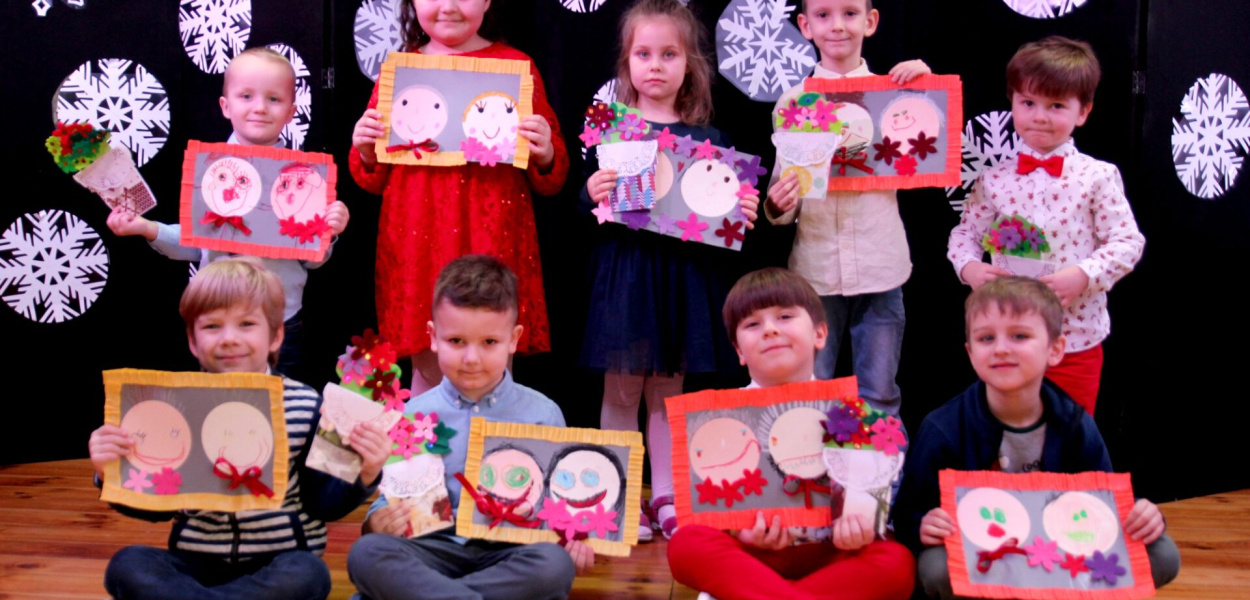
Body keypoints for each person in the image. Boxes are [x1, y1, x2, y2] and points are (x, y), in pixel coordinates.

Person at [87, 257, 388, 600]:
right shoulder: (173, 408)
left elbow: (323, 505)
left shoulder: (308, 405)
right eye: (212, 326)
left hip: (279, 563)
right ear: (192, 341)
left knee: (308, 574)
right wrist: (108, 471)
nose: (229, 339)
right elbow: (158, 507)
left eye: (246, 324)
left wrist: (365, 473)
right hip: (195, 565)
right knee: (128, 564)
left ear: (275, 336)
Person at [581, 0, 761, 541]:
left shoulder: (712, 142)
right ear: (626, 62)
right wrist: (591, 191)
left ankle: (665, 494)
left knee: (670, 389)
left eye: (669, 54)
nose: (655, 65)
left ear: (690, 65)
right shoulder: (612, 130)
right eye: (643, 54)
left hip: (682, 276)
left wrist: (741, 210)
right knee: (620, 390)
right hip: (628, 273)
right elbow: (591, 208)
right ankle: (618, 494)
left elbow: (724, 217)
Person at [891, 276, 1180, 599]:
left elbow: (1102, 507)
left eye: (1019, 335)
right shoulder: (943, 428)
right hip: (989, 551)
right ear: (970, 353)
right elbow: (909, 514)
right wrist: (925, 524)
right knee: (937, 568)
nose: (1001, 348)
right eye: (986, 338)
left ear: (1055, 350)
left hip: (1061, 548)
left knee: (1162, 554)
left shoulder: (1074, 423)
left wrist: (1143, 514)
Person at [350, 0, 568, 396]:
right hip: (418, 242)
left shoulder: (515, 66)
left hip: (493, 237)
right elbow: (372, 176)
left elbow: (551, 177)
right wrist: (366, 149)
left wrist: (546, 151)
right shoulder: (401, 70)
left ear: (487, 1)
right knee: (427, 362)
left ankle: (492, 438)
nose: (448, 6)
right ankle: (423, 439)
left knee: (491, 360)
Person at [666, 267, 916, 600]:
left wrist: (858, 526)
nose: (770, 330)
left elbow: (868, 506)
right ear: (739, 351)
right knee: (686, 544)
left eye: (784, 317)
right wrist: (742, 534)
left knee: (896, 561)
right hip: (754, 559)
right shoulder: (719, 421)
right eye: (752, 324)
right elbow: (709, 508)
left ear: (820, 334)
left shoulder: (855, 415)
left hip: (830, 557)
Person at [347, 255, 588, 600]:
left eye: (489, 342)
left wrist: (574, 537)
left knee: (554, 565)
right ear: (433, 337)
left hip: (509, 551)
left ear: (513, 339)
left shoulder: (542, 414)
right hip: (432, 548)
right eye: (456, 341)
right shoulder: (412, 414)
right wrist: (377, 521)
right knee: (367, 553)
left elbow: (559, 503)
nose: (471, 358)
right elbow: (392, 495)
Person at [104, 47, 350, 379]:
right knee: (222, 403)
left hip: (281, 319)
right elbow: (194, 244)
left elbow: (312, 262)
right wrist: (147, 228)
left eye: (274, 99)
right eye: (246, 96)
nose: (259, 107)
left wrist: (328, 233)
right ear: (225, 105)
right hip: (220, 320)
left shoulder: (303, 178)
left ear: (292, 112)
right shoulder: (211, 170)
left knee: (281, 403)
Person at [947, 36, 1145, 415]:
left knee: (1070, 433)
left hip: (1075, 340)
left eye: (1056, 105)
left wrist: (1084, 275)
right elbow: (965, 234)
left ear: (1083, 111)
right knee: (1007, 429)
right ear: (1012, 103)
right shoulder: (993, 179)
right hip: (1007, 339)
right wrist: (969, 267)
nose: (1039, 116)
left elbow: (1126, 242)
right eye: (1028, 103)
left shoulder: (1098, 176)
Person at [764, 0, 930, 425]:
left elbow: (928, 141)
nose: (837, 25)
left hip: (882, 265)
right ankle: (809, 466)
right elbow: (786, 188)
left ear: (870, 22)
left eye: (850, 13)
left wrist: (926, 91)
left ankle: (880, 469)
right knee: (810, 388)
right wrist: (778, 204)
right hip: (816, 269)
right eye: (823, 15)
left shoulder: (895, 93)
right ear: (805, 26)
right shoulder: (793, 103)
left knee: (879, 393)